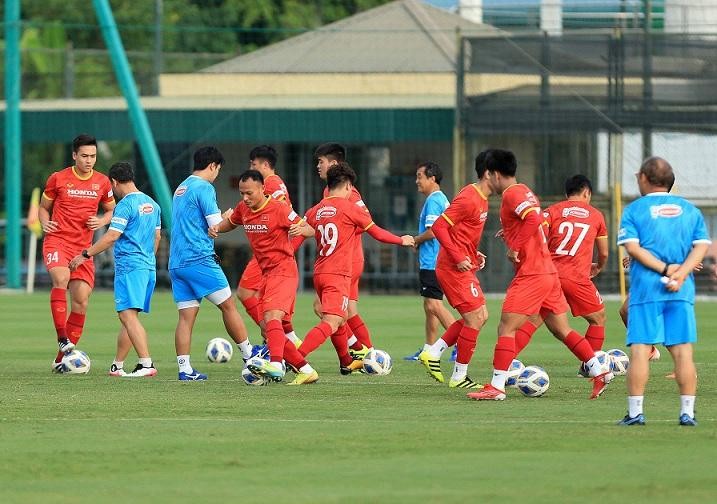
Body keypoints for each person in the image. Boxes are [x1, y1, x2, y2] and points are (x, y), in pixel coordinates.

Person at [468, 149, 611, 401]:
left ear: (495, 174)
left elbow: (534, 219)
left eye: (488, 175)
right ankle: (599, 372)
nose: (487, 180)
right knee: (561, 330)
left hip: (532, 273)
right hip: (548, 272)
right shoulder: (524, 191)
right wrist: (512, 233)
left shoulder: (512, 194)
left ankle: (496, 387)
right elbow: (532, 221)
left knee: (506, 327)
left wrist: (516, 245)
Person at [289, 162, 414, 373]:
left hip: (319, 272)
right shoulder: (350, 208)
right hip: (338, 273)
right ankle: (296, 358)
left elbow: (300, 230)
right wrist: (401, 240)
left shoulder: (315, 209)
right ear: (347, 185)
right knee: (332, 320)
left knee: (338, 318)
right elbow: (377, 233)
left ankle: (346, 361)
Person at [616, 157, 710, 426]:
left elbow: (633, 249)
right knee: (683, 351)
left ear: (644, 178)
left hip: (647, 289)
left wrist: (666, 269)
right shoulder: (690, 210)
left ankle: (635, 413)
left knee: (640, 349)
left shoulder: (635, 210)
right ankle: (687, 413)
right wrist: (680, 273)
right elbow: (701, 246)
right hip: (681, 289)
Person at [210, 169, 318, 385]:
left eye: (249, 193)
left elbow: (309, 229)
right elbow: (232, 221)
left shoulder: (279, 209)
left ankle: (276, 365)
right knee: (269, 329)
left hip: (284, 271)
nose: (245, 198)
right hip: (266, 273)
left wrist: (301, 230)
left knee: (272, 318)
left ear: (262, 189)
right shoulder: (244, 209)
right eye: (242, 194)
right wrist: (217, 228)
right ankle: (306, 370)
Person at [169, 146, 253, 381]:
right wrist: (230, 216)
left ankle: (184, 369)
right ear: (213, 166)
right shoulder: (204, 187)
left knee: (186, 318)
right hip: (198, 258)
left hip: (177, 262)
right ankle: (249, 357)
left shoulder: (181, 187)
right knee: (229, 305)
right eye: (218, 170)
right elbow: (216, 225)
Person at [69, 162, 160, 377]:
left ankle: (146, 364)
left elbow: (111, 236)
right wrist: (147, 260)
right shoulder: (153, 204)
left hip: (130, 267)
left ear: (114, 182)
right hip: (148, 268)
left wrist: (85, 255)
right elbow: (157, 237)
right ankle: (117, 365)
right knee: (130, 317)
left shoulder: (125, 205)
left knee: (127, 316)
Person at [511, 175, 609, 372]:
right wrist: (598, 266)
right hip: (577, 277)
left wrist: (514, 235)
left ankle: (506, 362)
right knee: (598, 318)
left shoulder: (553, 211)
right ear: (587, 192)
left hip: (550, 276)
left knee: (533, 320)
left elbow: (536, 232)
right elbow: (604, 252)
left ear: (566, 194)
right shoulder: (596, 215)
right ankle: (590, 366)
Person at [39, 134, 116, 373]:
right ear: (74, 155)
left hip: (82, 250)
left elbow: (111, 211)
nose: (89, 160)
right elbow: (44, 208)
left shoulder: (103, 182)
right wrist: (44, 223)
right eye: (84, 156)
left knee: (81, 302)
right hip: (58, 241)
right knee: (60, 279)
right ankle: (62, 337)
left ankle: (61, 359)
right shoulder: (58, 178)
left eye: (93, 156)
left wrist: (101, 219)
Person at [417, 151, 492, 389]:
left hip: (458, 262)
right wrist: (459, 256)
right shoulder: (469, 196)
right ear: (491, 174)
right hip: (450, 265)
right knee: (473, 316)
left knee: (479, 316)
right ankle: (458, 375)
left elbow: (460, 230)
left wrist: (472, 252)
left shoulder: (481, 199)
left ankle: (434, 352)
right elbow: (439, 227)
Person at [235, 146, 302, 348]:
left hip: (272, 251)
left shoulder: (270, 185)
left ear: (265, 165)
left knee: (246, 293)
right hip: (276, 249)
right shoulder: (278, 182)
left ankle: (279, 340)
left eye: (253, 164)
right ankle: (282, 339)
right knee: (272, 305)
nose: (250, 167)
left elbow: (284, 217)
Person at [313, 143, 374, 359]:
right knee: (347, 312)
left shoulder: (351, 194)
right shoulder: (329, 191)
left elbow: (364, 222)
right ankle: (367, 355)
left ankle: (359, 352)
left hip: (348, 260)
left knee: (326, 310)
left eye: (321, 162)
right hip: (345, 260)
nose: (317, 166)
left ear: (334, 163)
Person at [404, 162, 456, 361]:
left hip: (433, 261)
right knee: (429, 306)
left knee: (434, 305)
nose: (417, 181)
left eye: (420, 176)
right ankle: (429, 348)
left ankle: (460, 342)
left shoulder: (434, 200)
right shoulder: (440, 199)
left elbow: (434, 231)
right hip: (435, 259)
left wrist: (416, 239)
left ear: (432, 178)